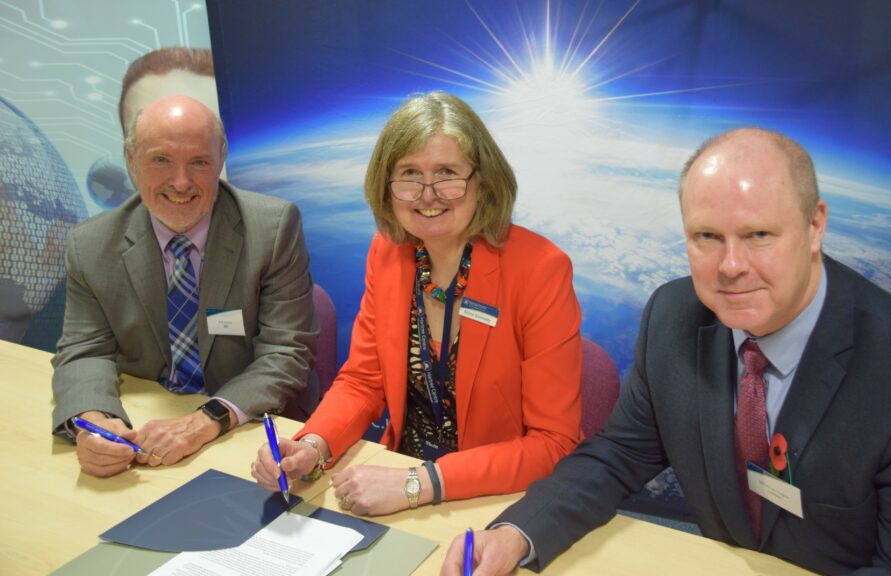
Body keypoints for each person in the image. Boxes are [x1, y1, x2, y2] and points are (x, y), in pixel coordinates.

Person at [440, 128, 891, 575]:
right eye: (706, 237)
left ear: (815, 226)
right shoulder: (674, 317)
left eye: (759, 235)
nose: (731, 267)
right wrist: (516, 533)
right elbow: (617, 457)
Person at [251, 92, 583, 516]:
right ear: (387, 186)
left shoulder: (539, 269)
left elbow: (553, 444)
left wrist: (419, 483)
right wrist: (311, 446)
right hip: (394, 478)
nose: (428, 194)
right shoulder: (388, 252)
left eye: (447, 173)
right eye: (409, 173)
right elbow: (362, 382)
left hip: (493, 498)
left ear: (483, 181)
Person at [51, 95, 319, 477]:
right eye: (161, 160)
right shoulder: (91, 245)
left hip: (254, 434)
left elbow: (286, 352)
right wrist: (93, 422)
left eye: (199, 162)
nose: (181, 182)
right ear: (130, 162)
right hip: (146, 433)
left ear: (220, 160)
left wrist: (203, 421)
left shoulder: (273, 229)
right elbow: (83, 350)